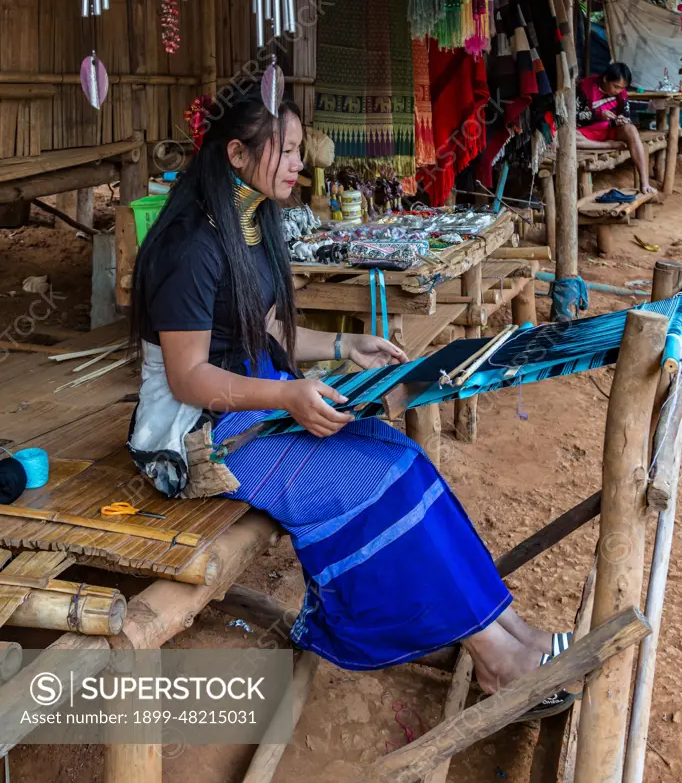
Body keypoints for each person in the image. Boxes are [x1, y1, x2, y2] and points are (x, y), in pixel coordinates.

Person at [128, 79, 574, 719]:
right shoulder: (190, 248)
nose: (298, 164)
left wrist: (345, 348)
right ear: (235, 155)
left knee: (402, 458)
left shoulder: (251, 226)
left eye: (297, 150)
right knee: (376, 479)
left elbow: (272, 333)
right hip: (198, 439)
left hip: (253, 408)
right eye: (284, 151)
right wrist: (287, 393)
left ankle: (512, 634)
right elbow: (188, 378)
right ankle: (499, 660)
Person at [576, 61, 654, 194]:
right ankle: (609, 145)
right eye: (615, 86)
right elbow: (574, 116)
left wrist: (622, 119)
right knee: (568, 137)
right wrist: (598, 114)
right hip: (588, 131)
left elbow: (626, 114)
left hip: (610, 129)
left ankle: (644, 182)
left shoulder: (621, 92)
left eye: (621, 88)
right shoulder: (584, 87)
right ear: (605, 79)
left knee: (631, 130)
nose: (618, 91)